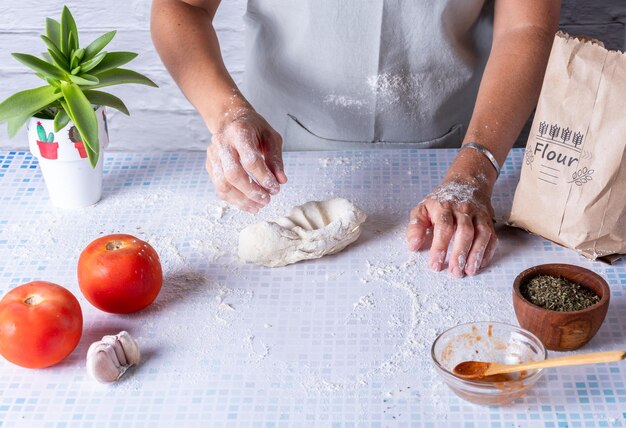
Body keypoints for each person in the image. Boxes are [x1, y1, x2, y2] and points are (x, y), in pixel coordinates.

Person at [151, 0, 560, 277]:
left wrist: (478, 166)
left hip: (460, 149)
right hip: (281, 156)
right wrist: (225, 113)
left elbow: (527, 23)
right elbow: (182, 6)